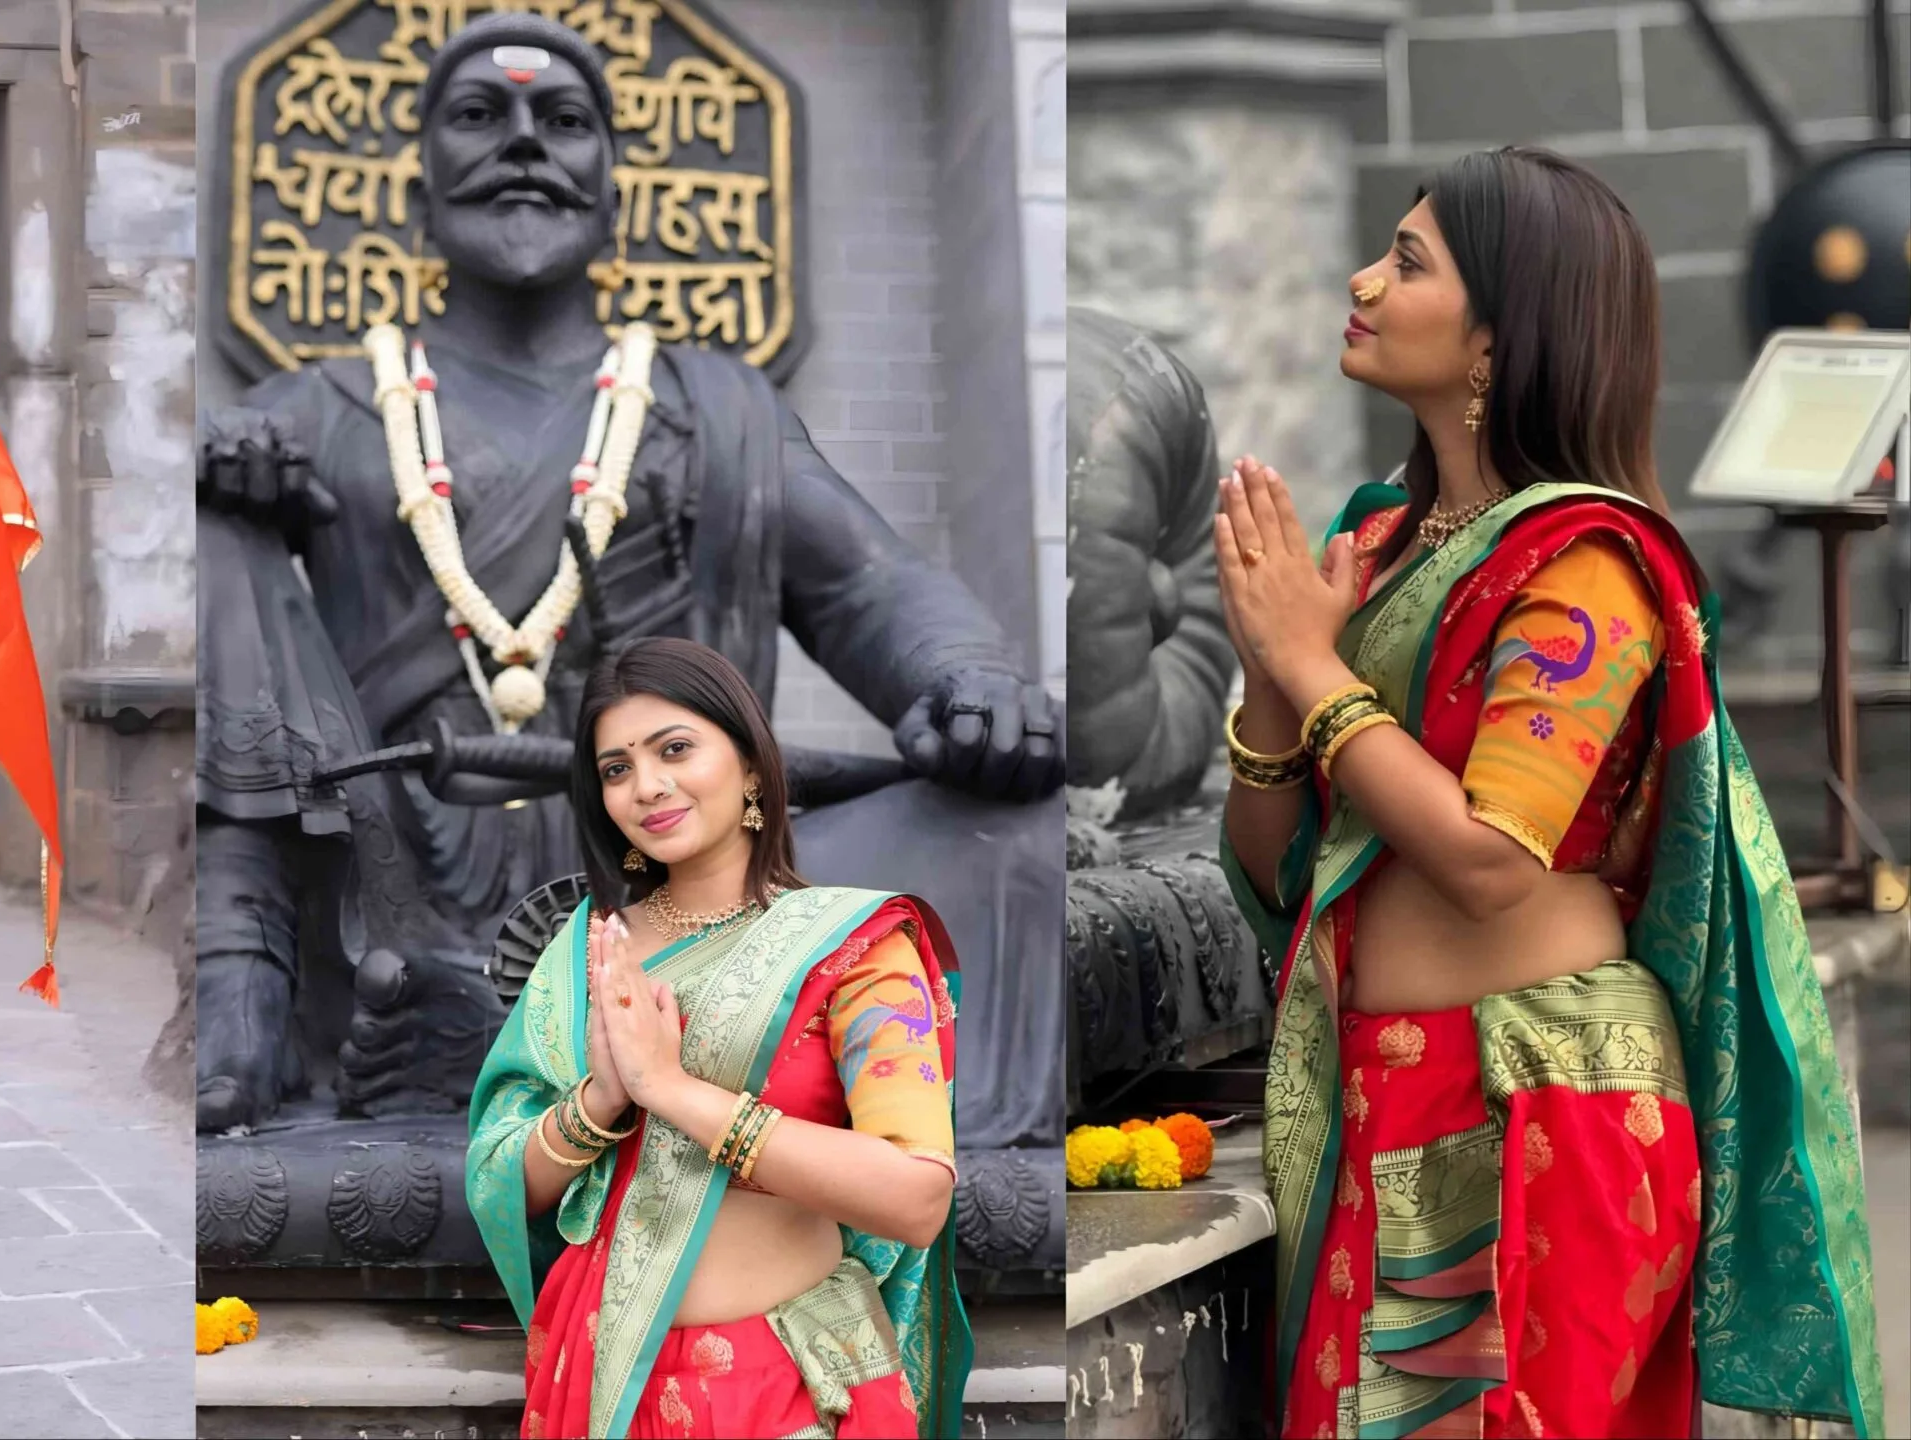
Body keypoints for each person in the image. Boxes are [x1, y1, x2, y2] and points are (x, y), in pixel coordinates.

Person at [195, 12, 1062, 1136]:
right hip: (389, 898)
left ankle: (574, 1030)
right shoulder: (318, 410)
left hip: (678, 879)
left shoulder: (720, 410)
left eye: (561, 121)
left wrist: (966, 676)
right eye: (478, 116)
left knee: (1015, 836)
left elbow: (866, 586)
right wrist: (215, 469)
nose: (522, 144)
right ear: (417, 191)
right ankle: (245, 1000)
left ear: (612, 192)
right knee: (213, 513)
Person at [1213, 146, 1884, 1438]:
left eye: (1407, 261)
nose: (1362, 278)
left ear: (1499, 340)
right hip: (1382, 1095)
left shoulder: (1585, 563)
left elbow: (1488, 860)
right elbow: (1274, 870)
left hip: (1535, 1099)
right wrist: (1271, 679)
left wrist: (1310, 658)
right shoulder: (1385, 543)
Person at [465, 638, 971, 1439]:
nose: (647, 787)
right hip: (600, 1378)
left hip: (790, 1384)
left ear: (753, 767)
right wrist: (601, 1100)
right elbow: (499, 1182)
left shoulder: (853, 947)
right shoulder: (585, 953)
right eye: (616, 769)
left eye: (675, 749)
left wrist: (672, 1091)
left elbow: (916, 1198)